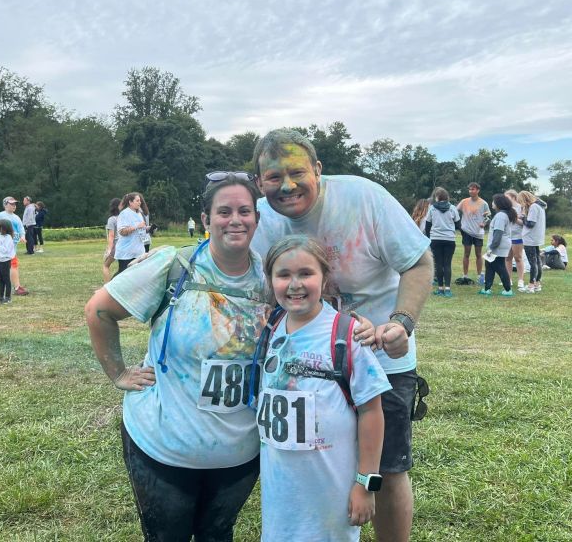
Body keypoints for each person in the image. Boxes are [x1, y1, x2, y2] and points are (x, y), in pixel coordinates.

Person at [250, 128, 433, 542]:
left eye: (297, 172)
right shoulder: (260, 217)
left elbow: (418, 263)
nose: (287, 185)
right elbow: (241, 273)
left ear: (318, 168)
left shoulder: (364, 198)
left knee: (387, 468)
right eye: (274, 177)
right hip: (304, 365)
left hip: (379, 357)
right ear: (260, 181)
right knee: (310, 460)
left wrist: (400, 323)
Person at [85, 173, 272, 541]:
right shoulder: (174, 266)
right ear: (205, 220)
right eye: (224, 211)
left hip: (240, 455)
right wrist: (118, 373)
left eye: (244, 211)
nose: (235, 219)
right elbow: (99, 311)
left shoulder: (272, 277)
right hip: (163, 450)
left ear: (257, 219)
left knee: (217, 534)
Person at [258, 235, 391, 541]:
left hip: (331, 489)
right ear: (270, 280)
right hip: (281, 492)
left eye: (306, 273)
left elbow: (372, 411)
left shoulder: (346, 334)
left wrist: (366, 482)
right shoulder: (269, 328)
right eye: (283, 275)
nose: (295, 285)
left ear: (325, 277)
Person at [425, 187, 460, 297]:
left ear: (437, 197)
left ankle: (440, 289)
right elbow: (458, 225)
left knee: (438, 264)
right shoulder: (453, 208)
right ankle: (448, 289)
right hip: (449, 239)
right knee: (447, 263)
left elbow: (427, 225)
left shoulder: (432, 209)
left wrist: (429, 236)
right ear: (447, 197)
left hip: (436, 239)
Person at [479, 194, 516, 296]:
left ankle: (508, 290)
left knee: (500, 267)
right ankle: (487, 289)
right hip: (501, 244)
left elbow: (498, 233)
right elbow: (497, 227)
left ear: (499, 204)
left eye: (493, 201)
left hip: (498, 245)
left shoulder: (500, 216)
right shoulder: (503, 215)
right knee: (489, 265)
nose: (492, 203)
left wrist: (492, 247)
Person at [456, 182, 491, 285]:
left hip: (478, 232)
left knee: (478, 254)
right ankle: (465, 275)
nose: (471, 191)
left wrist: (484, 223)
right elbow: (454, 211)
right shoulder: (464, 201)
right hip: (466, 231)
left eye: (473, 189)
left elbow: (488, 216)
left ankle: (480, 276)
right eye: (470, 189)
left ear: (478, 190)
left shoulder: (483, 203)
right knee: (466, 254)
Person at [114, 192, 150, 275]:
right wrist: (137, 226)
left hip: (138, 251)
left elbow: (141, 229)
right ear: (130, 202)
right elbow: (122, 231)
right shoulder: (124, 214)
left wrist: (149, 229)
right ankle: (110, 286)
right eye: (137, 201)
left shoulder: (139, 214)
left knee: (136, 275)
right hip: (126, 252)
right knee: (123, 275)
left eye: (140, 201)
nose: (140, 202)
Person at [519, 191, 547, 293]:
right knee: (537, 261)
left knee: (533, 263)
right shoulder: (540, 207)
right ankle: (537, 284)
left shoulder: (533, 207)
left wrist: (523, 217)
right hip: (536, 237)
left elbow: (530, 224)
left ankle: (531, 285)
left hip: (530, 238)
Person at [504, 189, 526, 291]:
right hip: (507, 236)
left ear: (513, 197)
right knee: (507, 258)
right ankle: (508, 279)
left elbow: (523, 223)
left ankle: (521, 280)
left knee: (518, 258)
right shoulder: (505, 208)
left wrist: (514, 218)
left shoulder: (521, 207)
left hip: (518, 236)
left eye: (507, 197)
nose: (505, 200)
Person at [102, 198, 121, 283]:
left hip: (115, 246)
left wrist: (109, 249)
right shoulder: (123, 218)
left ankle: (107, 287)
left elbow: (111, 235)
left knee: (105, 266)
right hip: (124, 245)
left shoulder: (112, 219)